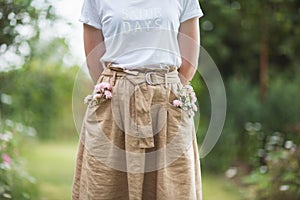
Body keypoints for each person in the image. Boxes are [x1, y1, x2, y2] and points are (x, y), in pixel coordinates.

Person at [72, 0, 204, 199]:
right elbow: (95, 65)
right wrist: (123, 89)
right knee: (106, 186)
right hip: (113, 103)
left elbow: (188, 65)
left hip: (168, 103)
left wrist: (160, 88)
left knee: (172, 189)